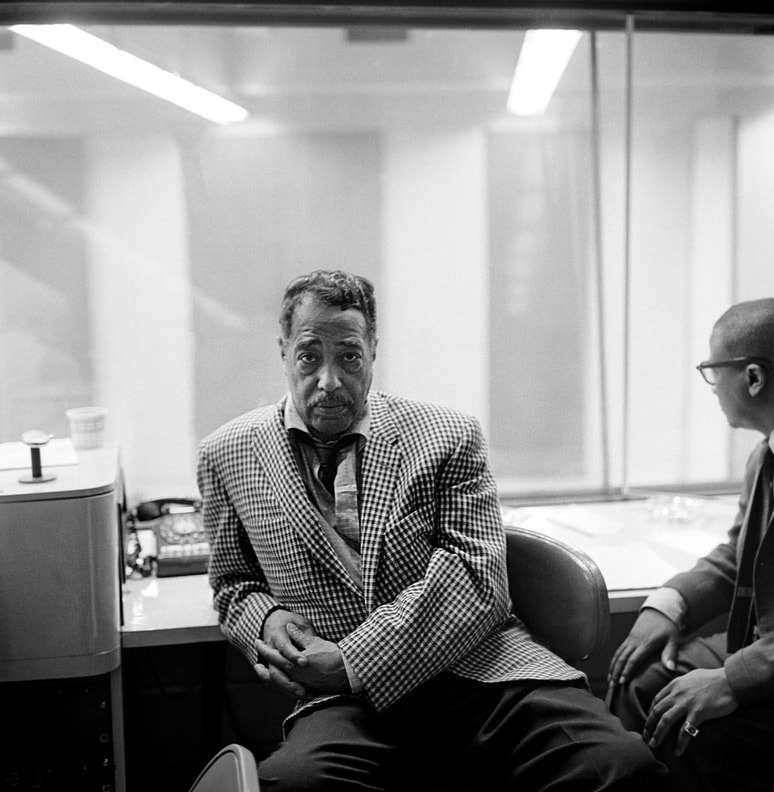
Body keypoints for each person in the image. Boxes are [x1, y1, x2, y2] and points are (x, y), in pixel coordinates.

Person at [197, 269, 665, 792]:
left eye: (349, 356)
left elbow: (476, 582)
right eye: (309, 356)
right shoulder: (226, 454)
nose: (329, 380)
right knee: (297, 784)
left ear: (373, 351)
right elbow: (234, 585)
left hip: (484, 674)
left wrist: (351, 659)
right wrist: (267, 621)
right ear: (283, 351)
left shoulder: (448, 435)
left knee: (621, 764)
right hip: (347, 707)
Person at [608, 297, 774, 792]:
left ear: (752, 378)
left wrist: (732, 680)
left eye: (711, 369)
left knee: (697, 734)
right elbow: (735, 558)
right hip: (757, 647)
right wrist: (669, 604)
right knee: (637, 679)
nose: (710, 385)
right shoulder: (763, 457)